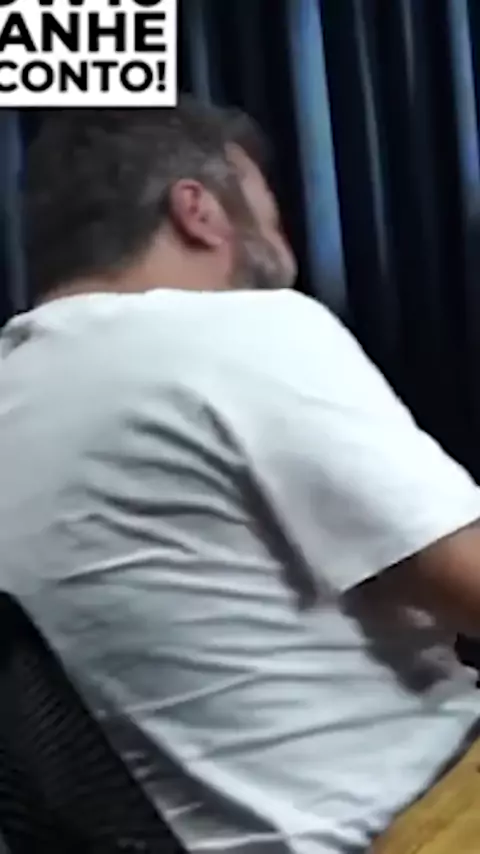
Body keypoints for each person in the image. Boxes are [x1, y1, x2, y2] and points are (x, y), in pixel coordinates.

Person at [1, 101, 480, 854]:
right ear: (197, 211)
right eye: (266, 204)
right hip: (408, 817)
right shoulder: (235, 332)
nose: (283, 236)